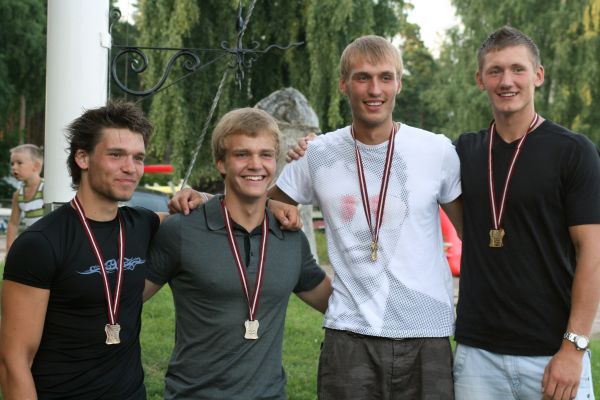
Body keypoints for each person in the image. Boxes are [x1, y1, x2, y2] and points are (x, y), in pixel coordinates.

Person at [171, 35, 462, 399]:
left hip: (427, 334)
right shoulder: (318, 153)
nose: (375, 89)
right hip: (350, 335)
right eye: (362, 77)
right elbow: (253, 201)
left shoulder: (436, 150)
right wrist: (204, 199)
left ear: (399, 84)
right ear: (344, 84)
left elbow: (474, 235)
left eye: (385, 77)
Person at [143, 107, 332, 400]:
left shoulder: (290, 236)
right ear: (221, 163)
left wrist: (334, 153)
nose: (255, 164)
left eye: (266, 154)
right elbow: (123, 301)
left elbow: (338, 305)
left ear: (276, 161)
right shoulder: (182, 229)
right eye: (242, 154)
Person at [453, 26, 600, 400]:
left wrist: (574, 348)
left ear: (538, 75)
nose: (507, 81)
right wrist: (321, 150)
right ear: (480, 79)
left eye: (517, 69)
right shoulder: (462, 152)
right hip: (477, 356)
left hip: (552, 355)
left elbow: (593, 254)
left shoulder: (574, 152)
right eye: (495, 71)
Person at [0, 101, 163, 399]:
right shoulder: (40, 243)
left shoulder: (143, 224)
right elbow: (14, 362)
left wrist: (201, 197)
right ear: (83, 158)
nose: (130, 168)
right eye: (116, 155)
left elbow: (196, 215)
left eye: (138, 157)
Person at [6, 144, 44, 252]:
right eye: (12, 163)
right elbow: (13, 223)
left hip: (47, 242)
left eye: (19, 163)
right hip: (31, 242)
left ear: (36, 166)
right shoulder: (18, 195)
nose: (14, 167)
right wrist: (9, 249)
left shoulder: (45, 188)